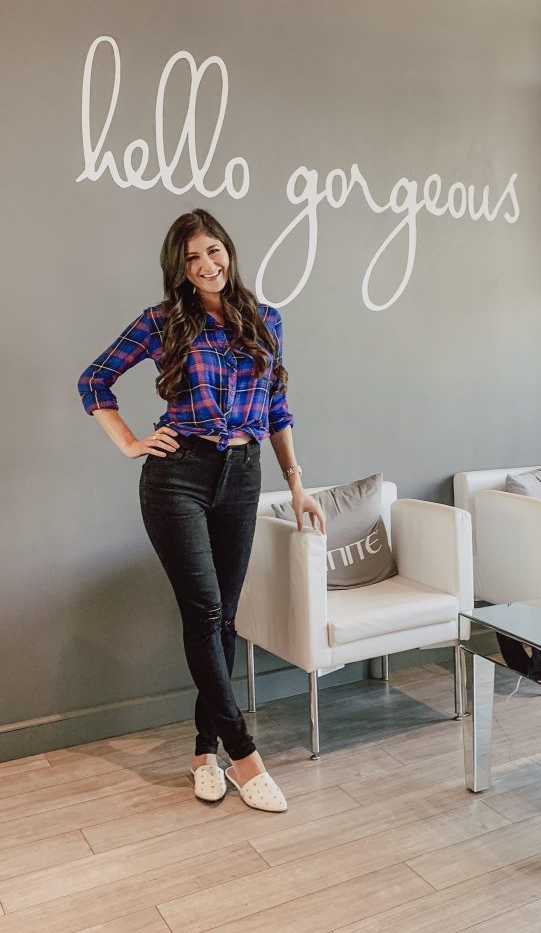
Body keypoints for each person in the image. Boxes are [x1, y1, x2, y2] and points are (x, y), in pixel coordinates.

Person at [78, 208, 325, 813]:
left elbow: (277, 410)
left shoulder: (265, 321)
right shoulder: (164, 322)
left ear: (229, 251)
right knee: (205, 609)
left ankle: (203, 752)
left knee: (222, 620)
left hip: (242, 475)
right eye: (192, 258)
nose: (207, 265)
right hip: (177, 477)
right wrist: (133, 442)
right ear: (180, 269)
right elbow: (94, 381)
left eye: (213, 250)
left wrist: (296, 483)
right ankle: (247, 757)